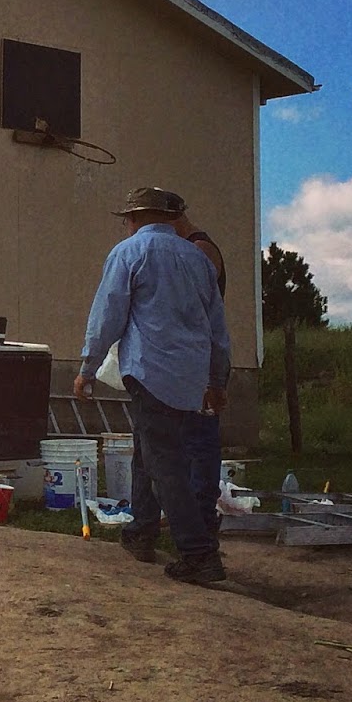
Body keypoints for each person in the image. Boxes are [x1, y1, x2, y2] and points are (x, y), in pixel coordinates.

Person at [74, 185, 231, 585]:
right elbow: (217, 327)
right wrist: (218, 379)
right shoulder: (198, 259)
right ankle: (141, 532)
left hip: (150, 371)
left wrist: (88, 367)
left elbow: (107, 314)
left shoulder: (128, 253)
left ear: (134, 218)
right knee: (149, 449)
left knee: (165, 464)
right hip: (190, 375)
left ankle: (199, 554)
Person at [174, 201, 228, 545]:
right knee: (188, 442)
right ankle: (193, 516)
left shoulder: (200, 250)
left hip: (201, 359)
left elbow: (197, 310)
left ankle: (202, 520)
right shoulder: (191, 248)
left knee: (200, 442)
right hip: (192, 358)